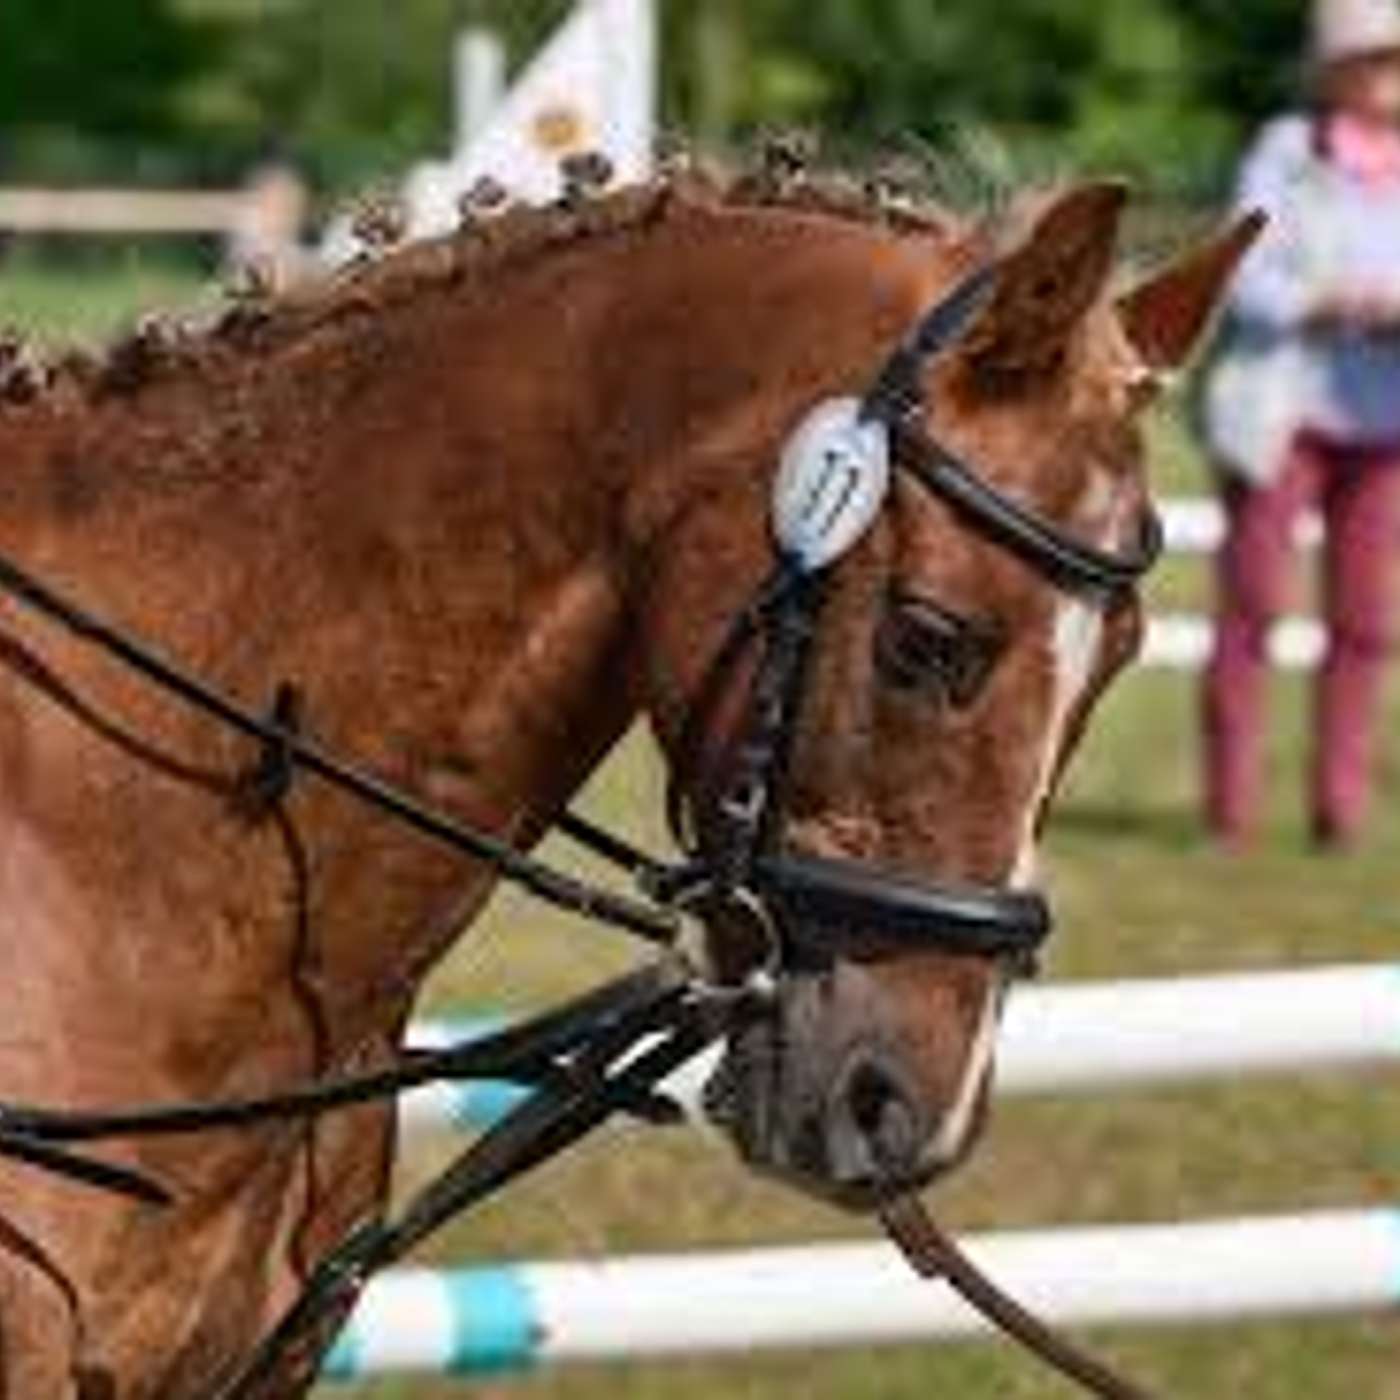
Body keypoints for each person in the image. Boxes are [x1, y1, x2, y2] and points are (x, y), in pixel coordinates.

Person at [1201, 0, 1400, 849]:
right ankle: (1231, 812)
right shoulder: (1287, 150)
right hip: (1281, 414)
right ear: (1336, 72)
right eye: (1378, 60)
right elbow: (1243, 273)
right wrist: (1329, 302)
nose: (1392, 78)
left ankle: (1339, 812)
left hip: (1383, 423)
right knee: (1252, 609)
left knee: (1364, 624)